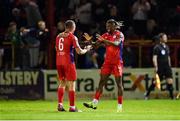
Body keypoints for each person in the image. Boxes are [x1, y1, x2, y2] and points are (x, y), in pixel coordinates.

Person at [83, 19, 124, 112]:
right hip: (107, 63)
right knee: (101, 82)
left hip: (117, 62)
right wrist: (90, 41)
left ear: (114, 26)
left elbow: (117, 44)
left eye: (109, 26)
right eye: (106, 26)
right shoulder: (105, 35)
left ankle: (119, 106)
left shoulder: (119, 34)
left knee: (119, 84)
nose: (107, 27)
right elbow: (95, 45)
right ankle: (94, 103)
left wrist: (104, 40)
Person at [56, 20, 91, 112]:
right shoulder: (73, 37)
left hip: (59, 61)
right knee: (72, 84)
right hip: (68, 62)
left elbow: (56, 48)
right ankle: (72, 107)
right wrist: (86, 49)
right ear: (73, 27)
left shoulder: (58, 36)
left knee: (62, 82)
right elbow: (79, 52)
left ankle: (60, 105)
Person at [144, 33, 174, 99]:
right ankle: (147, 94)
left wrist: (169, 65)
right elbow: (154, 58)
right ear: (161, 38)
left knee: (170, 81)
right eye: (164, 37)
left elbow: (168, 57)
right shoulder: (157, 47)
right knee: (156, 82)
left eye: (166, 37)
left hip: (167, 67)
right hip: (160, 67)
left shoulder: (167, 47)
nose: (166, 38)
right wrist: (156, 66)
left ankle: (172, 97)